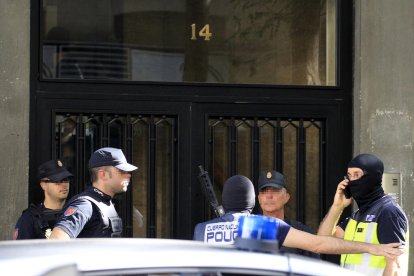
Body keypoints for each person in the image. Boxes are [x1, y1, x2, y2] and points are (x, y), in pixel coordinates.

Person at [193, 174, 404, 260]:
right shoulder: (259, 226)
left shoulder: (201, 229)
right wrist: (371, 247)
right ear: (252, 200)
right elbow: (319, 245)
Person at [317, 153, 409, 275]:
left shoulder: (388, 212)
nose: (351, 181)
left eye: (357, 175)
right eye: (349, 176)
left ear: (373, 177)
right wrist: (337, 206)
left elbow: (395, 265)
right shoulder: (358, 215)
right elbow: (323, 240)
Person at [48, 147, 138, 239]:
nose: (128, 175)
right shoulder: (84, 205)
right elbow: (57, 239)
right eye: (122, 171)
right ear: (103, 174)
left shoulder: (105, 201)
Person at [257, 170, 319, 259]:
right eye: (264, 191)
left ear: (287, 197)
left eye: (275, 191)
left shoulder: (301, 232)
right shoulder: (248, 230)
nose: (269, 196)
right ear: (259, 198)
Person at [13, 159, 73, 239]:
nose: (64, 185)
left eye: (66, 180)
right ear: (43, 185)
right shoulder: (29, 218)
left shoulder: (76, 213)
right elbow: (21, 250)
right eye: (57, 181)